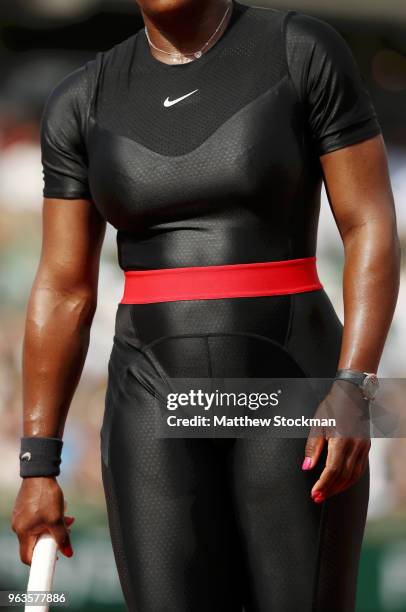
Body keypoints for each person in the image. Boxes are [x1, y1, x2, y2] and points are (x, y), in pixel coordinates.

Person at [12, 0, 400, 610]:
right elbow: (64, 289)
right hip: (151, 399)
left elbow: (370, 223)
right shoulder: (82, 98)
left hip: (291, 391)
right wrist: (38, 465)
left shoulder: (301, 49)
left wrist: (355, 388)